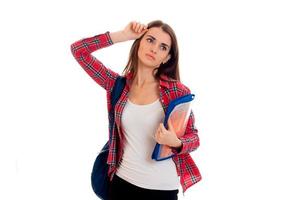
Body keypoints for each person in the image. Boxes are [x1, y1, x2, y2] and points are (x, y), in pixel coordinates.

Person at [71, 20, 202, 200]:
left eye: (163, 47)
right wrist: (122, 35)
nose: (154, 49)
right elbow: (78, 50)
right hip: (122, 185)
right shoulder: (117, 85)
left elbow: (194, 138)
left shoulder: (177, 92)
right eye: (150, 40)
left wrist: (176, 142)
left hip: (162, 191)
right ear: (139, 42)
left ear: (167, 57)